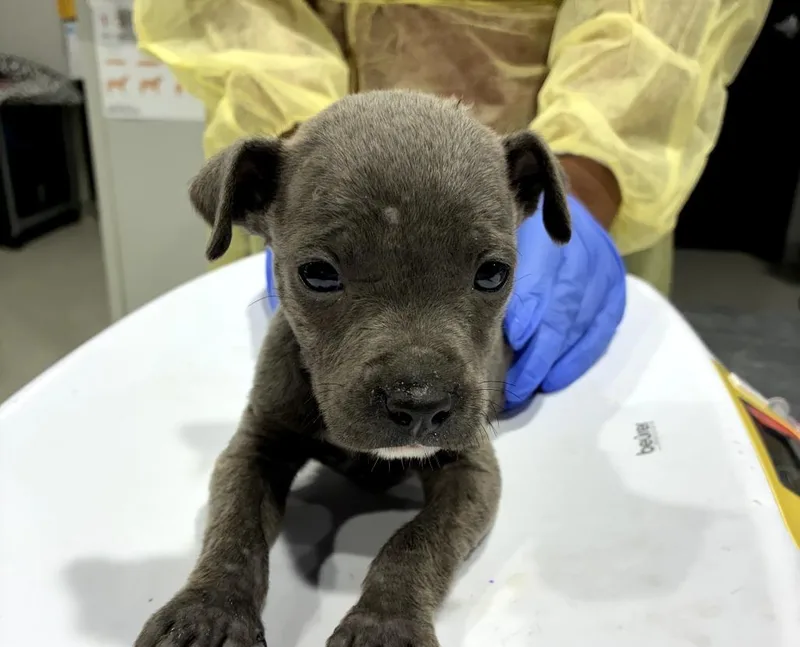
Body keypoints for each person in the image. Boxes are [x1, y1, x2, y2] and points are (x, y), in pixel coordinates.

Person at [135, 0, 769, 399]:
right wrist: (304, 175)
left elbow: (661, 20)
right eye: (319, 276)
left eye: (492, 274)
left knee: (555, 451)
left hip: (554, 174)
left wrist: (582, 186)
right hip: (315, 180)